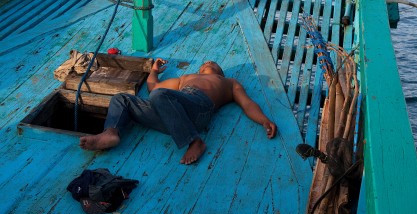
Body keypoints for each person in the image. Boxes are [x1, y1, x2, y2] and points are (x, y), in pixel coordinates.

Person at [80, 58, 277, 164]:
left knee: (160, 97)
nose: (208, 62)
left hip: (198, 106)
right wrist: (154, 71)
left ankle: (195, 141)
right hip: (171, 115)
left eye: (213, 63)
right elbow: (153, 88)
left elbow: (248, 103)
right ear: (199, 70)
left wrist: (263, 120)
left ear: (220, 72)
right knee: (120, 98)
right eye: (205, 63)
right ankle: (111, 132)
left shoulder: (228, 82)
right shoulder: (185, 78)